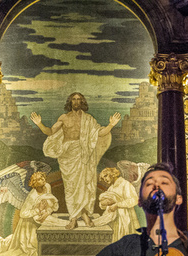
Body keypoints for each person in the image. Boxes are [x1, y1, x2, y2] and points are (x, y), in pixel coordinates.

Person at [31, 93, 121, 229]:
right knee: (71, 188)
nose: (76, 101)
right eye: (74, 99)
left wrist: (111, 125)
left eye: (79, 99)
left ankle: (84, 215)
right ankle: (73, 218)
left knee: (85, 187)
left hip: (84, 155)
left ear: (82, 102)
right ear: (70, 102)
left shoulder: (88, 119)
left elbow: (100, 133)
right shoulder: (64, 118)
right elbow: (50, 132)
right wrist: (39, 124)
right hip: (68, 156)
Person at [0, 171, 59, 256]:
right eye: (39, 179)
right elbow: (23, 213)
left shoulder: (47, 186)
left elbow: (50, 204)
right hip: (28, 226)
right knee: (33, 249)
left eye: (42, 177)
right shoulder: (32, 196)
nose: (42, 179)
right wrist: (38, 210)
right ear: (34, 183)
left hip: (40, 219)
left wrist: (47, 212)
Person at [98, 166, 141, 241]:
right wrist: (103, 204)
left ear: (112, 174)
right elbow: (107, 205)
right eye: (103, 178)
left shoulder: (125, 184)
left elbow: (134, 200)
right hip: (114, 219)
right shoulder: (111, 188)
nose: (104, 179)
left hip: (125, 218)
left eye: (105, 176)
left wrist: (117, 205)